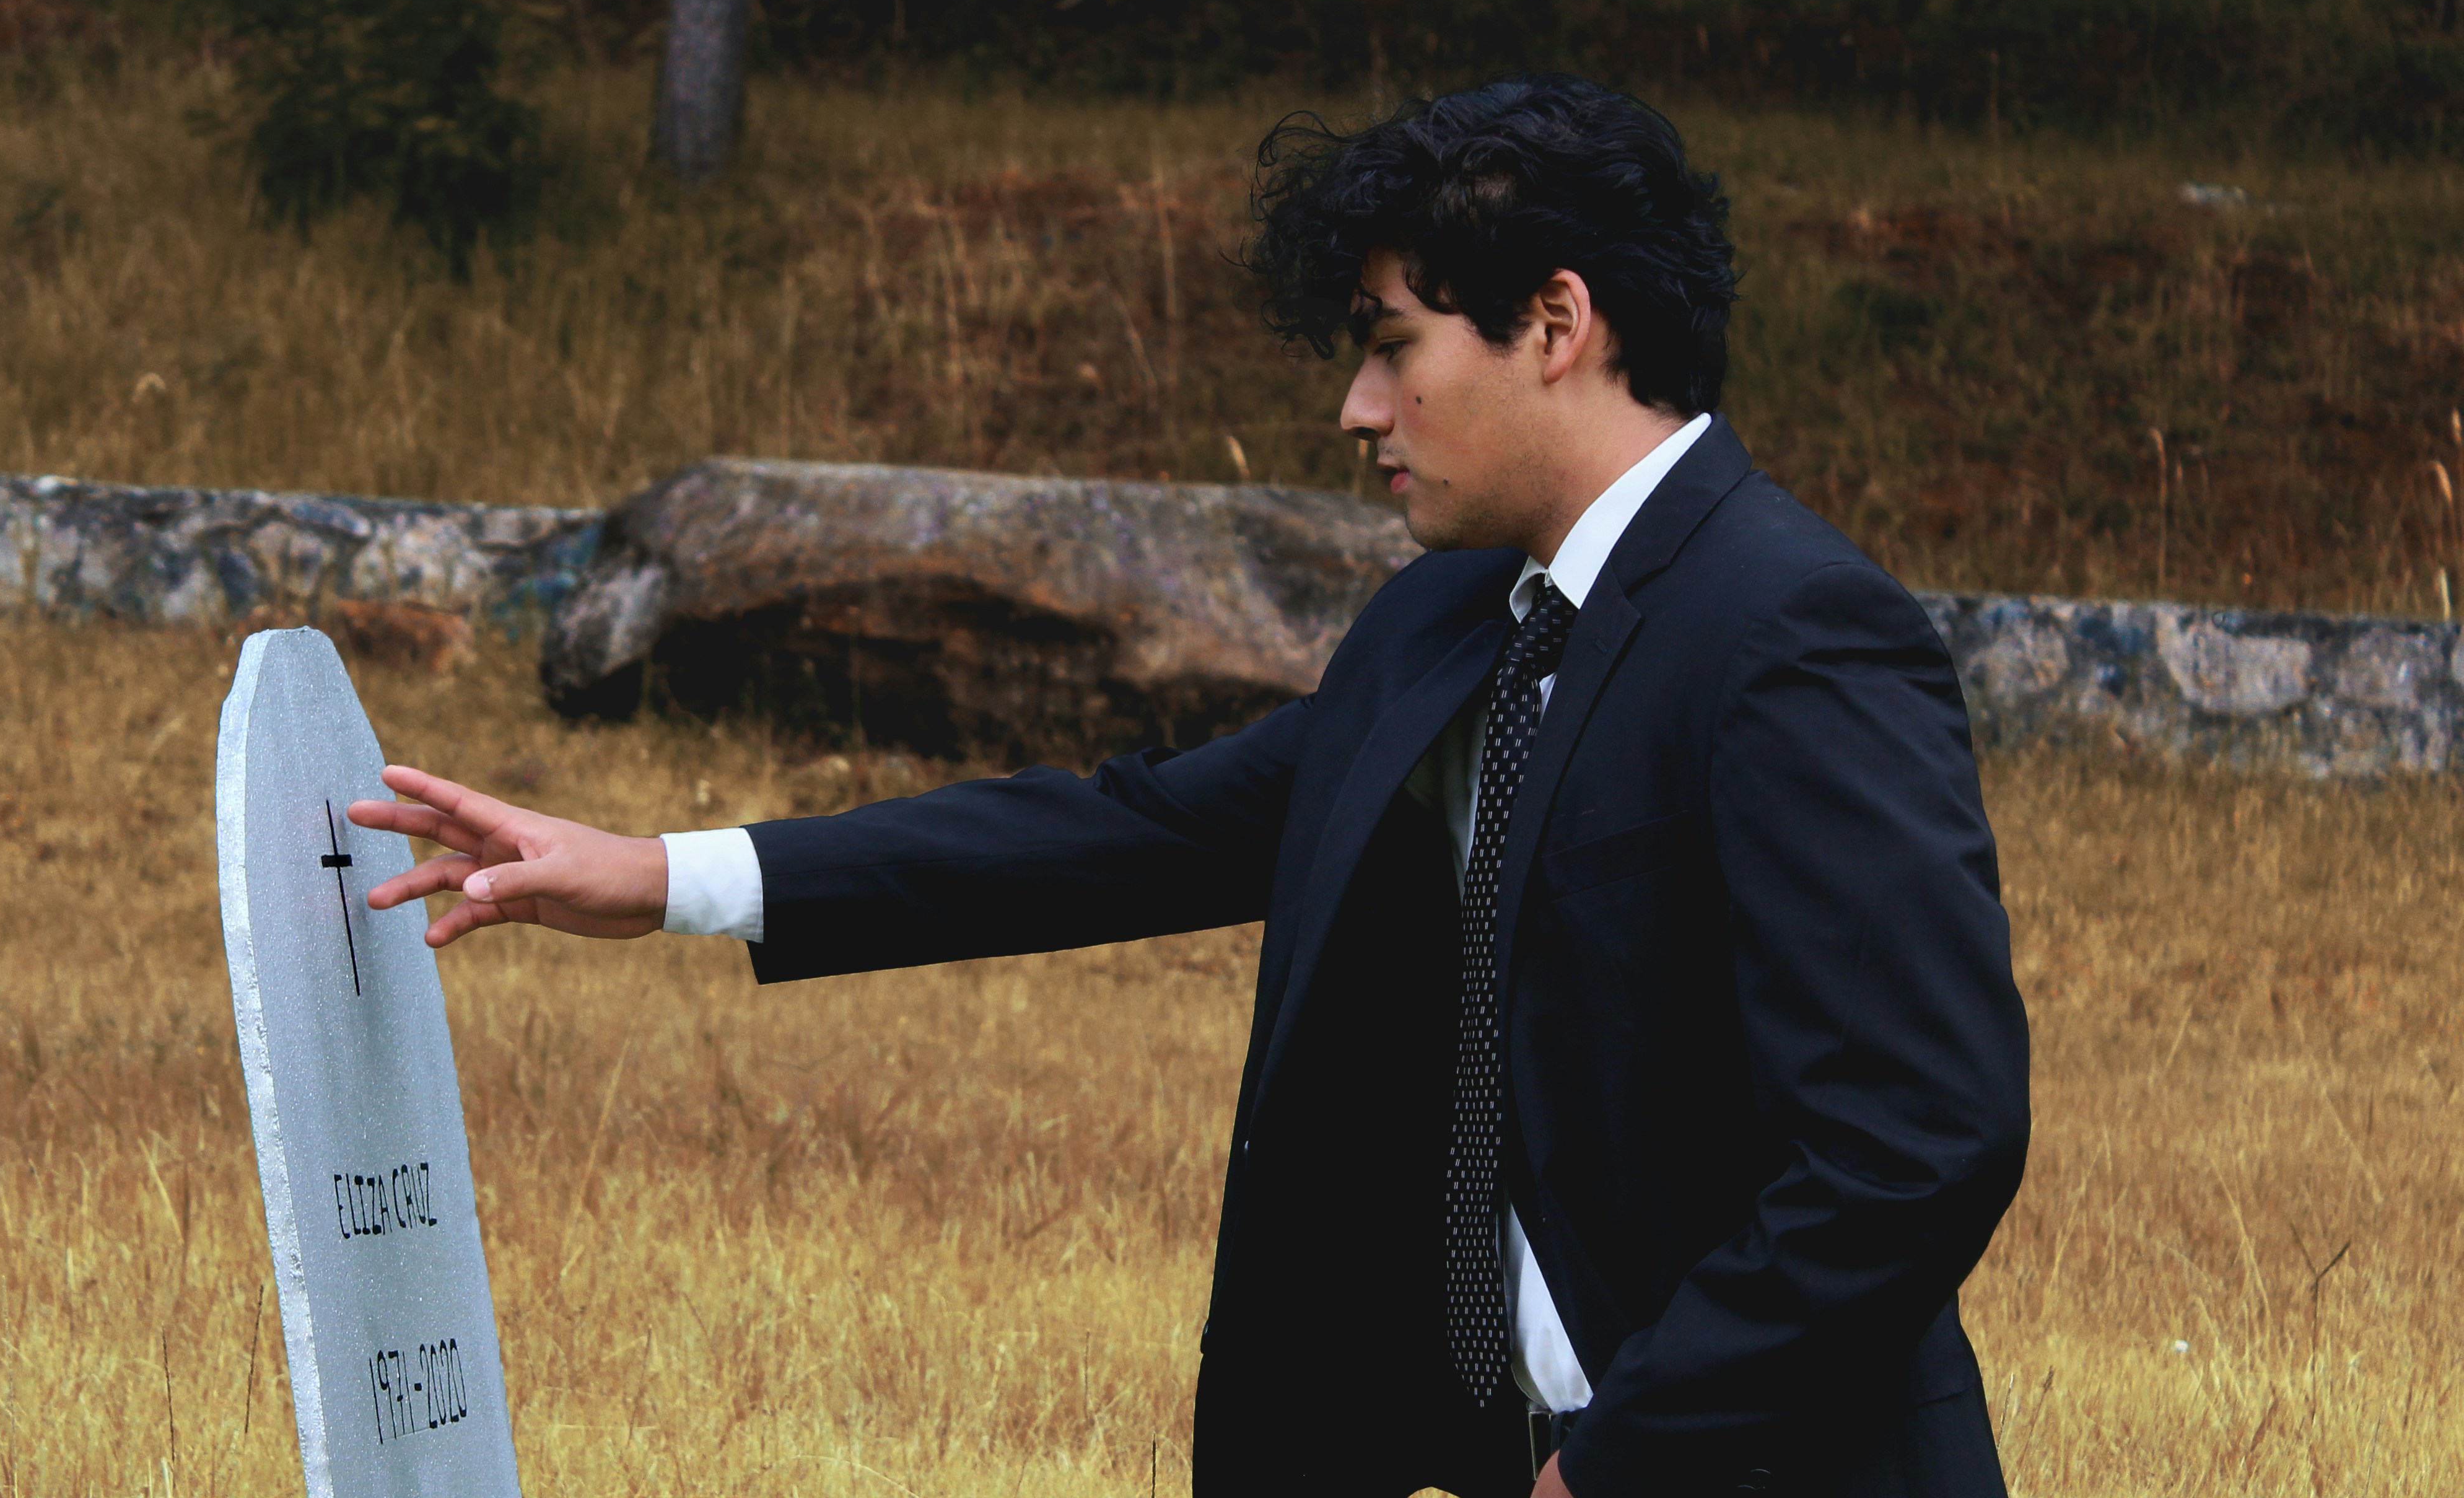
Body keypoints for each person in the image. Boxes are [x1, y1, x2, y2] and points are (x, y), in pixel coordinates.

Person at [347, 74, 2032, 1497]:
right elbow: (1139, 830)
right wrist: (660, 875)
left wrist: (1626, 1463)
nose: (1358, 409)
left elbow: (1916, 1142)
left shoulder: (1794, 634)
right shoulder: (1449, 623)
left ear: (1556, 324)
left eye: (1392, 345)